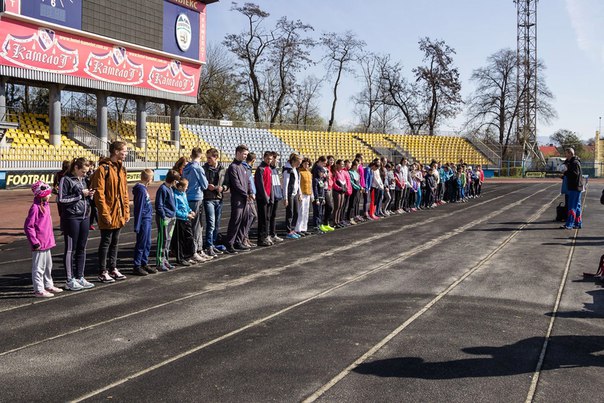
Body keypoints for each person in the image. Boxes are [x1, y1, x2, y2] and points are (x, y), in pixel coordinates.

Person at [91, 141, 129, 283]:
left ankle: (113, 268)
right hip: (108, 212)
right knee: (106, 242)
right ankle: (102, 271)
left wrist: (126, 211)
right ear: (116, 151)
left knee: (115, 242)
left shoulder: (121, 169)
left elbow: (124, 192)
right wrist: (104, 213)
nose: (126, 154)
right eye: (124, 151)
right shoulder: (103, 169)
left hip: (119, 212)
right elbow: (99, 194)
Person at [58, 158, 95, 291]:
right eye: (83, 171)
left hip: (84, 215)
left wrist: (90, 195)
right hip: (71, 217)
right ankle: (69, 279)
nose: (85, 174)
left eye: (86, 171)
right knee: (70, 249)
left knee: (82, 247)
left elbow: (84, 197)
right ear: (76, 168)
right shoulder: (65, 179)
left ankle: (80, 276)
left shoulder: (84, 180)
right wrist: (80, 195)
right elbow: (61, 199)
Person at [24, 181, 62, 297]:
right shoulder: (35, 208)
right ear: (41, 194)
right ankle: (39, 289)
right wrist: (34, 242)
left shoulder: (46, 205)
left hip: (47, 242)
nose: (50, 196)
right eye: (48, 194)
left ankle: (48, 284)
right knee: (39, 267)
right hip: (39, 244)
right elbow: (28, 226)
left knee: (48, 266)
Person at [182, 147, 210, 261]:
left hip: (188, 197)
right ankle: (195, 250)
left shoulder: (186, 167)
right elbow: (205, 185)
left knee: (191, 225)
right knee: (197, 226)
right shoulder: (197, 168)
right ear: (201, 155)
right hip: (197, 197)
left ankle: (197, 249)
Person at [225, 145, 251, 254]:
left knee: (244, 220)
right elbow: (236, 184)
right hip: (238, 198)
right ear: (238, 153)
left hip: (245, 198)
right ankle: (229, 243)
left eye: (246, 154)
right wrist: (246, 194)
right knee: (235, 220)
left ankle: (238, 241)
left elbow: (248, 182)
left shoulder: (244, 167)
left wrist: (250, 192)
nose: (245, 156)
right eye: (244, 154)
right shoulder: (233, 167)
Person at [202, 148, 227, 256]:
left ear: (215, 157)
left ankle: (213, 243)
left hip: (219, 198)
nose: (208, 160)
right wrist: (207, 186)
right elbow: (202, 182)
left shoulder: (222, 169)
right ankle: (208, 245)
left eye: (209, 158)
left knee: (216, 223)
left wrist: (223, 188)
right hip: (208, 198)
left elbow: (227, 184)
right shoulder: (204, 169)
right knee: (211, 223)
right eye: (207, 157)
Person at [132, 169, 156, 276]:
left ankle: (144, 262)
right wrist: (137, 224)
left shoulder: (144, 189)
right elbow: (139, 208)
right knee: (141, 243)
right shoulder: (141, 190)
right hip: (143, 220)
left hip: (147, 218)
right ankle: (137, 265)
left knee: (147, 243)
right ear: (149, 179)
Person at [155, 169, 179, 271]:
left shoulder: (170, 189)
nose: (177, 183)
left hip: (171, 217)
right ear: (173, 180)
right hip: (165, 218)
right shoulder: (163, 189)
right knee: (163, 240)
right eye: (176, 181)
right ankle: (160, 262)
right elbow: (159, 205)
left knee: (168, 240)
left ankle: (165, 260)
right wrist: (164, 216)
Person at [171, 178, 198, 266]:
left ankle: (188, 256)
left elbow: (186, 205)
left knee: (189, 238)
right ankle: (180, 258)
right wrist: (186, 215)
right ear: (180, 187)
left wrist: (190, 211)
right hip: (180, 220)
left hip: (186, 219)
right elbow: (175, 210)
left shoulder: (183, 194)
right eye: (186, 187)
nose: (187, 188)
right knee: (180, 241)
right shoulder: (175, 195)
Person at [254, 151, 274, 246]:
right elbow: (260, 185)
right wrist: (265, 197)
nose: (269, 160)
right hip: (262, 198)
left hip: (269, 197)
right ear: (264, 158)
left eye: (270, 159)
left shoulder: (269, 168)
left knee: (267, 218)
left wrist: (272, 197)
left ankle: (266, 235)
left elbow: (271, 184)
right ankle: (261, 239)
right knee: (262, 219)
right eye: (267, 159)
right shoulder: (260, 169)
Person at [562, 148, 583, 230]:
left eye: (566, 154)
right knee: (577, 206)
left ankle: (569, 224)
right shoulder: (572, 162)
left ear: (570, 153)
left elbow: (575, 174)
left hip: (575, 187)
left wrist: (566, 172)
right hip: (576, 187)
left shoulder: (574, 163)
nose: (565, 155)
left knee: (572, 206)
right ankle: (578, 223)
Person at [283, 153, 302, 239]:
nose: (299, 164)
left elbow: (298, 183)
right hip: (290, 194)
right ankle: (288, 231)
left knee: (296, 212)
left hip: (295, 194)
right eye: (298, 162)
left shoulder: (296, 169)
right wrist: (285, 197)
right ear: (293, 161)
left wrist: (300, 193)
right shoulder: (288, 170)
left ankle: (292, 229)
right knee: (290, 213)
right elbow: (285, 185)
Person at [242, 152, 257, 248]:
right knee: (252, 216)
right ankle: (244, 237)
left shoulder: (248, 168)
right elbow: (247, 182)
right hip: (248, 196)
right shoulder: (246, 168)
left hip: (250, 195)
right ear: (253, 160)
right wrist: (250, 192)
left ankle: (245, 236)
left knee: (252, 216)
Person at [294, 157, 313, 236]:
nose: (306, 165)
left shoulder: (309, 173)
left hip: (308, 193)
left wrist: (312, 195)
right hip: (302, 194)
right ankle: (298, 228)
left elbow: (311, 184)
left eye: (308, 164)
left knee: (306, 212)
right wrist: (300, 194)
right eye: (305, 163)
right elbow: (298, 184)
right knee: (301, 211)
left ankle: (304, 228)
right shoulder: (300, 172)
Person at [268, 151, 284, 243]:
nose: (278, 161)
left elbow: (277, 183)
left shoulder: (275, 169)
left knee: (273, 216)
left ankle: (273, 234)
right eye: (277, 159)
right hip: (271, 196)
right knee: (269, 216)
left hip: (276, 196)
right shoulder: (268, 169)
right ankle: (268, 234)